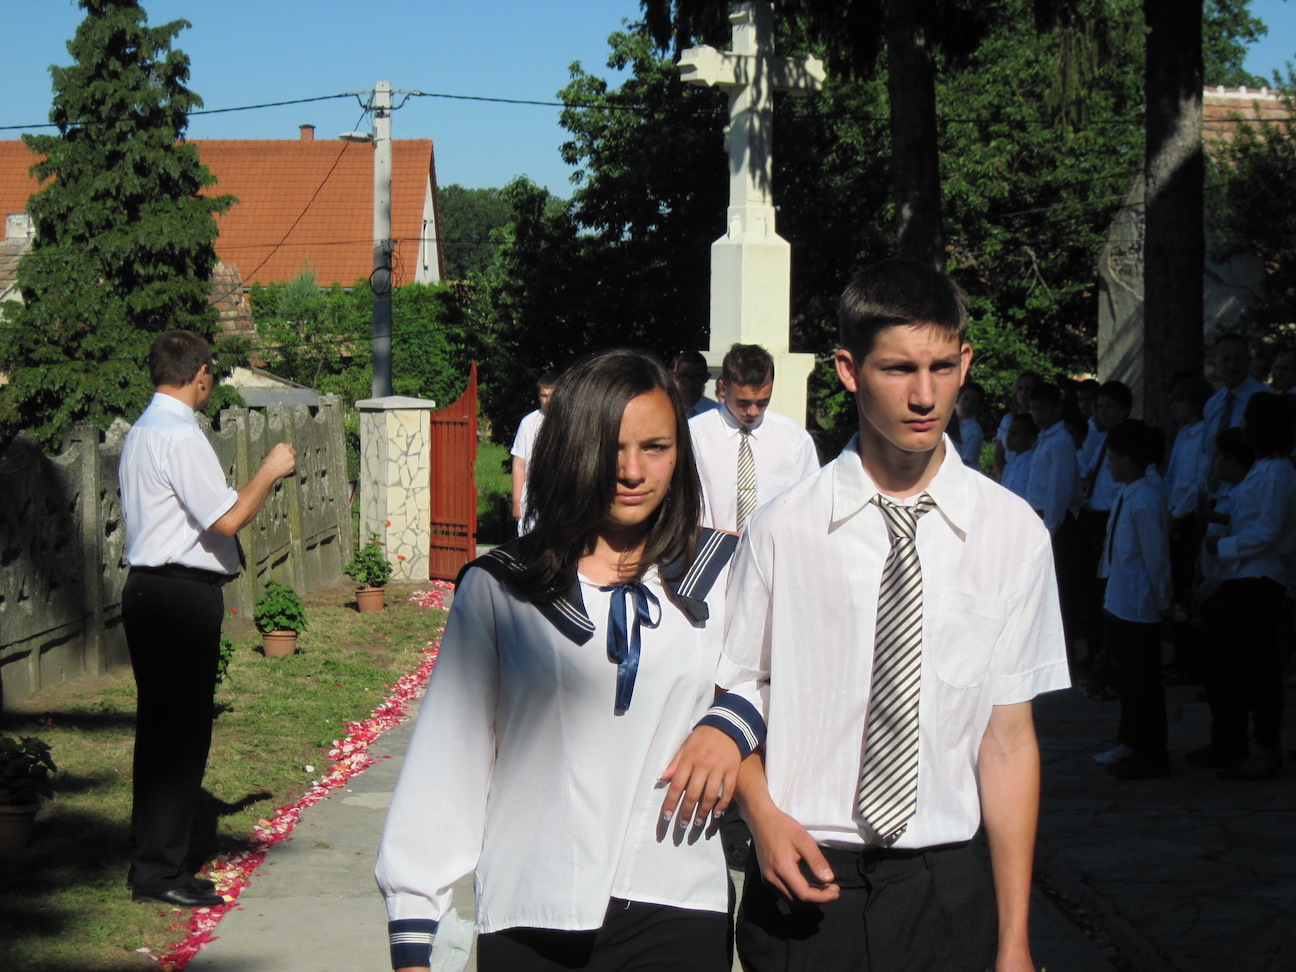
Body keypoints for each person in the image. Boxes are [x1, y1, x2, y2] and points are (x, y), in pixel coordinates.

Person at [703, 258, 1070, 971]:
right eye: (899, 369)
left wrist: (1015, 939)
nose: (924, 395)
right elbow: (735, 692)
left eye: (942, 367)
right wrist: (763, 819)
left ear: (966, 363)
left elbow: (1007, 741)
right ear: (849, 370)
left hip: (946, 886)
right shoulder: (785, 530)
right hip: (804, 876)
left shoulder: (1012, 534)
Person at [376, 350, 745, 972]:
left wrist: (731, 725)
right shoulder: (502, 588)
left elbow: (775, 673)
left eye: (655, 447)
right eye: (610, 448)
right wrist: (416, 921)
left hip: (676, 896)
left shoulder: (724, 574)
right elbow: (450, 754)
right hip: (534, 902)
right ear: (572, 449)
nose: (632, 471)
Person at [119, 330, 297, 908]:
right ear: (199, 374)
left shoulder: (141, 430)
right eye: (211, 374)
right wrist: (269, 469)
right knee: (179, 736)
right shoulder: (180, 434)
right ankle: (159, 872)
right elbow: (226, 519)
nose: (210, 383)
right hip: (179, 595)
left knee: (162, 732)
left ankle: (158, 860)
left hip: (149, 589)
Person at [1198, 392, 1296, 780]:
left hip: (1260, 578)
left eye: (1248, 420)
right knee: (1236, 664)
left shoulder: (1277, 473)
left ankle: (1265, 746)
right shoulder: (1265, 469)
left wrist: (1223, 546)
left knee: (1260, 667)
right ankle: (1235, 742)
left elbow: (1269, 529)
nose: (1243, 426)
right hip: (1243, 576)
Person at [1093, 420, 1173, 781]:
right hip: (1122, 600)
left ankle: (1151, 752)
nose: (1108, 465)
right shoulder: (1128, 493)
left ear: (1127, 460)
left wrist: (1164, 601)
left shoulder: (1145, 499)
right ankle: (1129, 740)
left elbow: (1156, 559)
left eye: (1112, 458)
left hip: (1140, 606)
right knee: (1127, 679)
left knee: (1144, 684)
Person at [688, 343, 819, 532]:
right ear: (723, 387)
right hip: (710, 545)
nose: (753, 411)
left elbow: (809, 505)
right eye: (743, 402)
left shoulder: (795, 440)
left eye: (762, 402)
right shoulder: (696, 435)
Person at [510, 370, 558, 535]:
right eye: (544, 395)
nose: (548, 400)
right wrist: (516, 501)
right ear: (538, 396)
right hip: (532, 501)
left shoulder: (569, 423)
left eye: (552, 395)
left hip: (559, 500)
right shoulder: (528, 423)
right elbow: (519, 464)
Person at [992, 369, 1041, 480]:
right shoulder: (1008, 419)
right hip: (1009, 471)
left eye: (1028, 389)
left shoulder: (1038, 419)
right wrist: (1002, 476)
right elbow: (998, 454)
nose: (1023, 393)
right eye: (1020, 389)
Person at [1000, 413, 1038, 501]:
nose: (1008, 437)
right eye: (1008, 432)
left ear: (1030, 439)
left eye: (1014, 434)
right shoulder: (1010, 463)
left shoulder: (1032, 463)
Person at [671, 350, 718, 418]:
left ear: (706, 378)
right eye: (684, 377)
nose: (690, 384)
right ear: (675, 376)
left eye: (696, 378)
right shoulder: (667, 410)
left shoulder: (716, 412)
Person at [955, 380, 986, 468]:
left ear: (979, 406)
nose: (968, 404)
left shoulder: (974, 431)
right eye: (965, 398)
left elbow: (965, 462)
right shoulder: (948, 423)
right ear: (958, 399)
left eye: (974, 401)